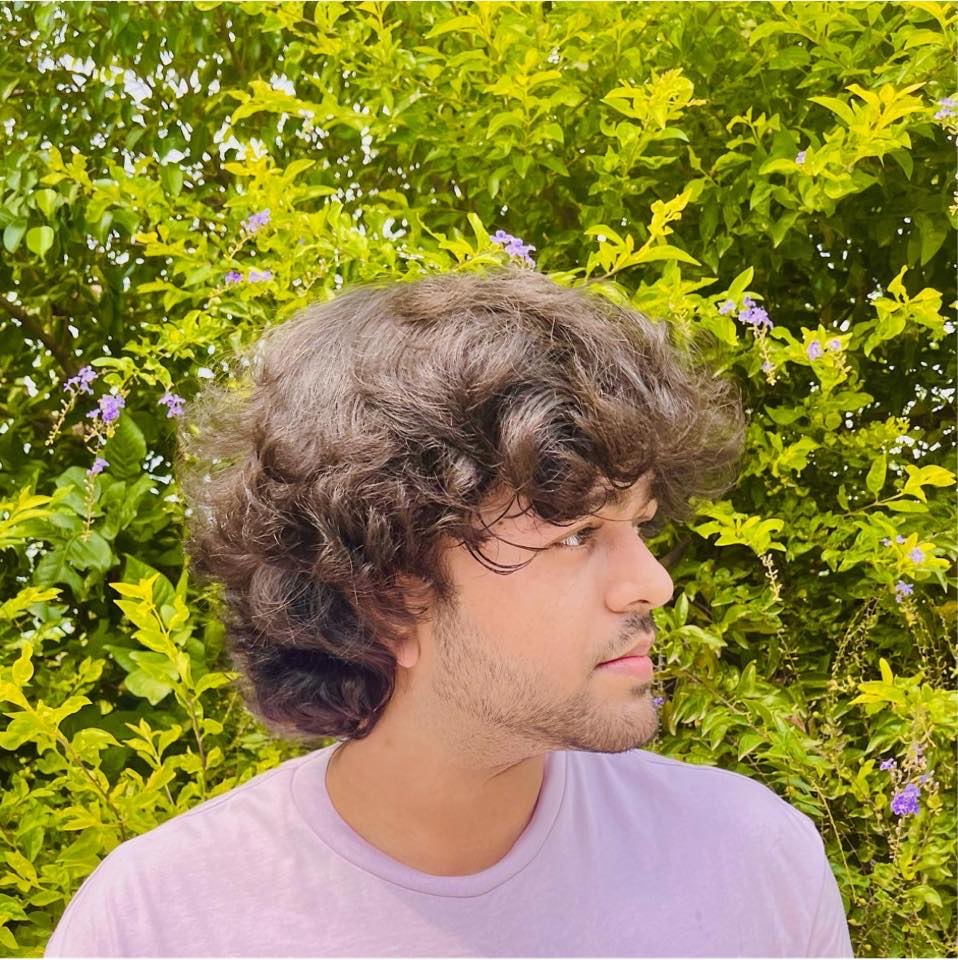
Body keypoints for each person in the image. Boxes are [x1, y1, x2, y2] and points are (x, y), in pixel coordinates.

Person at [45, 268, 853, 957]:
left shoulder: (753, 867)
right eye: (575, 536)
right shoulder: (160, 924)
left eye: (636, 525)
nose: (651, 585)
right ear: (389, 591)